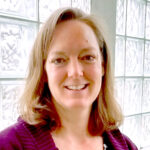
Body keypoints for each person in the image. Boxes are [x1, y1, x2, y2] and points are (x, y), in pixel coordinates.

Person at [0, 7, 137, 150]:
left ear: (103, 66)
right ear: (44, 71)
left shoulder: (126, 146)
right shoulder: (9, 144)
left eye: (88, 57)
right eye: (59, 60)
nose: (75, 72)